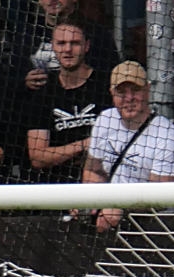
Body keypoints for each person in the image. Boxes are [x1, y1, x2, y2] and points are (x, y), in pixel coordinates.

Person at [83, 61, 174, 230]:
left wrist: (118, 208)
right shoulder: (105, 120)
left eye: (135, 90)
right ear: (111, 93)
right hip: (107, 218)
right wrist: (92, 204)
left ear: (148, 89)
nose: (129, 98)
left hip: (154, 227)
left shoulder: (168, 136)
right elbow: (93, 171)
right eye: (121, 92)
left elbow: (159, 199)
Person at [25, 15, 113, 183]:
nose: (67, 49)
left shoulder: (105, 86)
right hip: (58, 184)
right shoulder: (43, 91)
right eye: (61, 43)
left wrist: (62, 152)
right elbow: (38, 157)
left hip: (102, 181)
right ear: (53, 47)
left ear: (86, 46)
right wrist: (84, 145)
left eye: (75, 43)